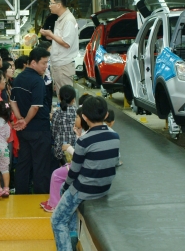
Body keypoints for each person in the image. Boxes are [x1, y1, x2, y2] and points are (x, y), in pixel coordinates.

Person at [51, 96, 119, 251]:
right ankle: (73, 232)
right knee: (66, 193)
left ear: (84, 117)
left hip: (84, 190)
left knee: (57, 220)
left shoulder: (84, 140)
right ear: (106, 115)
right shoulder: (115, 137)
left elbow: (74, 171)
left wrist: (66, 187)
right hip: (103, 187)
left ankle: (68, 242)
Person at [10, 47, 52, 194]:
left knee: (23, 163)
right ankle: (40, 196)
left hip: (24, 131)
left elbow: (12, 100)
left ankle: (21, 194)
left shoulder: (18, 78)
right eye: (44, 63)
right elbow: (35, 107)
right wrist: (25, 120)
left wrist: (20, 118)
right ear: (33, 62)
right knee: (40, 165)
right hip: (39, 129)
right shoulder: (37, 81)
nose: (46, 66)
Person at [41, 106, 88, 213]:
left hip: (80, 166)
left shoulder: (86, 135)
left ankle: (54, 204)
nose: (74, 119)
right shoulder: (85, 133)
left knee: (56, 175)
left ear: (83, 118)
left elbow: (79, 155)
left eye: (76, 117)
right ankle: (52, 200)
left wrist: (69, 148)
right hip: (80, 165)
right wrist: (78, 136)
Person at [39, 0, 79, 96]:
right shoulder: (61, 19)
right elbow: (61, 39)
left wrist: (51, 34)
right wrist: (50, 36)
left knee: (66, 97)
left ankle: (69, 113)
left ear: (58, 4)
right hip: (59, 64)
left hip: (63, 65)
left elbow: (66, 43)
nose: (49, 6)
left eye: (51, 3)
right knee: (62, 96)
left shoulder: (68, 20)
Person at [51, 85, 77, 164]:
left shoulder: (57, 113)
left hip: (60, 151)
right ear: (73, 100)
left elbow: (54, 132)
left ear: (59, 97)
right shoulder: (78, 112)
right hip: (75, 150)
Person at [37, 41, 53, 111]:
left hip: (49, 82)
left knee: (49, 100)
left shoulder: (50, 58)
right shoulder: (41, 59)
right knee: (45, 100)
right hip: (43, 83)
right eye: (50, 48)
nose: (52, 49)